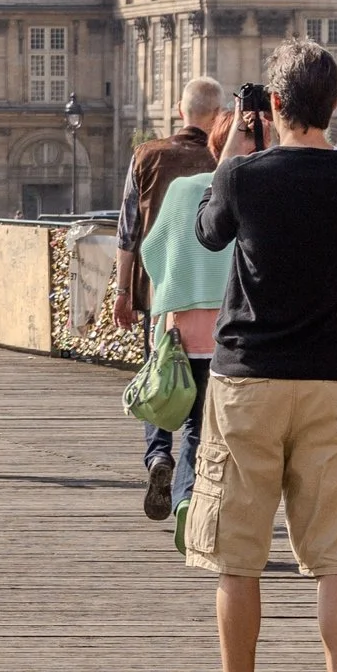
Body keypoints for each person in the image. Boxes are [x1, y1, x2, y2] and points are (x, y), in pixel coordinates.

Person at [185, 39, 337, 672]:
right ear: (334, 104)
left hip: (246, 380)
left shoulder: (243, 175)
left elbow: (208, 231)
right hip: (331, 381)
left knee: (237, 559)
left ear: (271, 106)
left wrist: (237, 148)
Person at [115, 78, 227, 518]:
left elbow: (132, 234)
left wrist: (124, 291)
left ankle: (159, 453)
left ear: (180, 111)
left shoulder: (148, 155)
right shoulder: (226, 164)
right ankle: (186, 490)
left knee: (161, 377)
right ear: (220, 117)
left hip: (163, 296)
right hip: (220, 302)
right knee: (202, 408)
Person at [135, 112, 235, 545]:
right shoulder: (249, 194)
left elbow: (152, 251)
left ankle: (160, 458)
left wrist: (172, 299)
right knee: (203, 429)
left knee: (177, 410)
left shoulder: (181, 190)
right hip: (229, 335)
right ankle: (187, 501)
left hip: (180, 330)